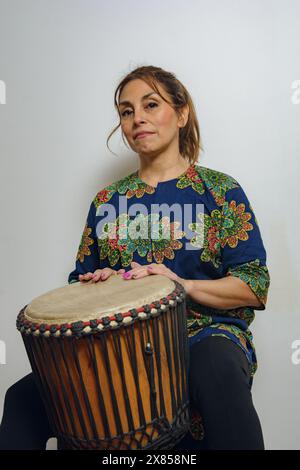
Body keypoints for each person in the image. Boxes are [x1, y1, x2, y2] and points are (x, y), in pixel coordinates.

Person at [0, 65, 270, 450]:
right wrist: (97, 285)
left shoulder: (221, 192)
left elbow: (254, 286)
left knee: (218, 369)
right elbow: (80, 285)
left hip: (202, 336)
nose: (137, 118)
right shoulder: (107, 202)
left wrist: (184, 284)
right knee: (22, 398)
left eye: (150, 104)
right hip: (116, 349)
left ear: (181, 114)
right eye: (126, 111)